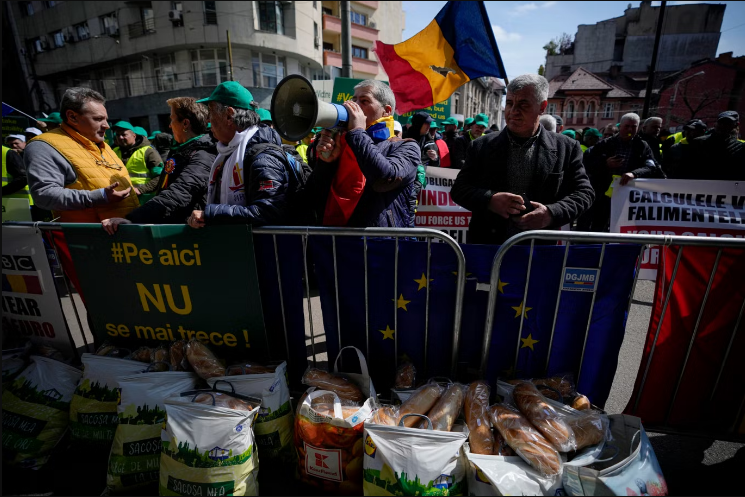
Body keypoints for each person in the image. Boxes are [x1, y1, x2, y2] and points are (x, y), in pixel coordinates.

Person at [451, 74, 594, 244]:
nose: (513, 112)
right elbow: (459, 189)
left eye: (523, 104)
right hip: (488, 246)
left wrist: (550, 213)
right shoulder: (481, 145)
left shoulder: (567, 148)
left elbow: (584, 193)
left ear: (542, 107)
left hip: (539, 249)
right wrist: (489, 199)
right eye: (510, 103)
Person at [305, 79, 420, 227]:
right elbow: (312, 195)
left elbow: (384, 178)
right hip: (331, 239)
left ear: (387, 110)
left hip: (376, 244)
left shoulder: (406, 147)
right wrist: (326, 164)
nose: (355, 106)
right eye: (354, 99)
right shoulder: (342, 143)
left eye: (364, 101)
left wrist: (357, 132)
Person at [187, 81, 297, 228]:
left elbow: (268, 212)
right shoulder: (227, 153)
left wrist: (211, 214)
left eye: (211, 112)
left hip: (263, 249)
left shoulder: (264, 159)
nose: (208, 120)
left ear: (229, 115)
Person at [102, 97, 217, 233]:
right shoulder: (183, 150)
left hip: (190, 233)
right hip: (175, 227)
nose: (169, 125)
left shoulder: (202, 154)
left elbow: (180, 192)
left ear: (185, 123)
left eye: (172, 119)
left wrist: (134, 218)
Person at [24, 87, 139, 222]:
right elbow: (44, 195)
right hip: (89, 237)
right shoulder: (44, 146)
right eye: (98, 119)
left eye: (106, 119)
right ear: (72, 117)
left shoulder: (103, 145)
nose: (106, 125)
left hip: (126, 233)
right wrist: (100, 196)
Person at [582, 113, 663, 231]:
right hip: (603, 191)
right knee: (599, 223)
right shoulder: (606, 143)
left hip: (628, 193)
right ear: (620, 127)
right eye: (627, 126)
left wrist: (634, 173)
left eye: (633, 127)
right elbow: (588, 163)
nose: (630, 129)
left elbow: (651, 166)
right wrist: (605, 163)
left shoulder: (642, 145)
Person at [675, 111, 744, 181]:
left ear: (736, 125)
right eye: (721, 122)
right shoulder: (698, 143)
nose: (723, 126)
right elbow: (683, 170)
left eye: (728, 123)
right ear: (715, 124)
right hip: (698, 188)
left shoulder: (741, 148)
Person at [111, 121, 163, 204]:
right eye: (117, 135)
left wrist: (140, 190)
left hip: (144, 201)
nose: (120, 137)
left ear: (134, 136)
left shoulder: (149, 152)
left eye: (124, 134)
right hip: (121, 201)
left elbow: (160, 177)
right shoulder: (113, 152)